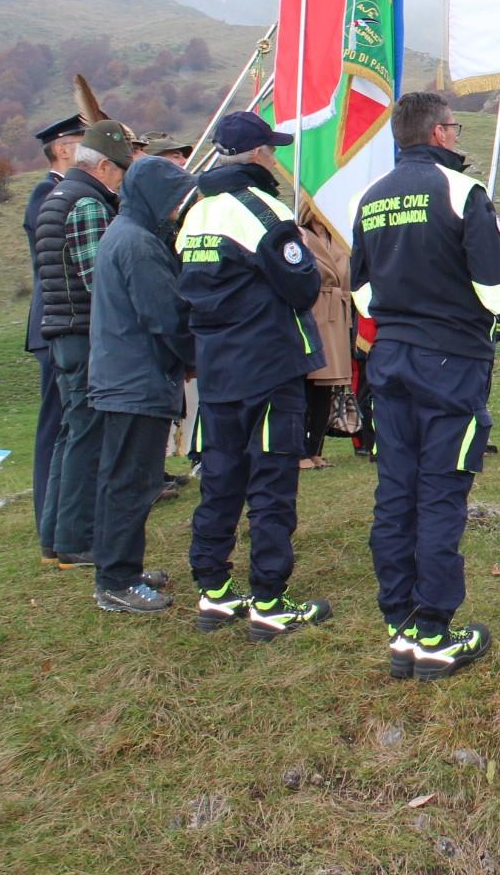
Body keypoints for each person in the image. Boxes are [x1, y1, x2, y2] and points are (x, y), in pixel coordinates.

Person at [350, 92, 500, 681]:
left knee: (397, 492)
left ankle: (401, 625)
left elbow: (360, 291)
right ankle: (437, 631)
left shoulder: (370, 198)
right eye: (456, 127)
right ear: (440, 133)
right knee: (441, 492)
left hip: (390, 358)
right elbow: (498, 293)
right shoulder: (461, 192)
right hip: (452, 361)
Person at [176, 112, 331, 641]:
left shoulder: (194, 213)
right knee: (271, 485)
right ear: (260, 155)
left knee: (220, 480)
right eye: (273, 150)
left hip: (216, 371)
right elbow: (302, 288)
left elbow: (188, 291)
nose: (277, 158)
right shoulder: (264, 211)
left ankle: (214, 589)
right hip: (268, 367)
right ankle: (269, 598)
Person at [86, 155, 197, 613]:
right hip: (136, 379)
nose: (176, 211)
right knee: (130, 482)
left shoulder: (125, 233)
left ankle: (123, 568)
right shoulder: (140, 245)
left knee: (127, 479)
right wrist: (193, 357)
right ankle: (116, 580)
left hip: (124, 375)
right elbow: (165, 316)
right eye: (173, 201)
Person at [35, 119, 132, 569]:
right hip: (82, 331)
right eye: (121, 171)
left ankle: (55, 535)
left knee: (70, 435)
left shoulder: (58, 198)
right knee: (87, 437)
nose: (121, 180)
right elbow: (100, 281)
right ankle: (77, 539)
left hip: (60, 327)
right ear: (105, 168)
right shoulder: (88, 204)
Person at [25, 112, 84, 558]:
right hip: (58, 322)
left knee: (68, 421)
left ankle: (61, 510)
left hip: (62, 320)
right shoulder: (49, 193)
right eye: (81, 140)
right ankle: (50, 508)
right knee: (57, 424)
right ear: (63, 148)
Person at [297, 204, 354, 470]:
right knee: (307, 385)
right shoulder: (300, 236)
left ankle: (315, 449)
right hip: (314, 313)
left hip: (337, 317)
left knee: (326, 389)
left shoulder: (339, 238)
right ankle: (299, 451)